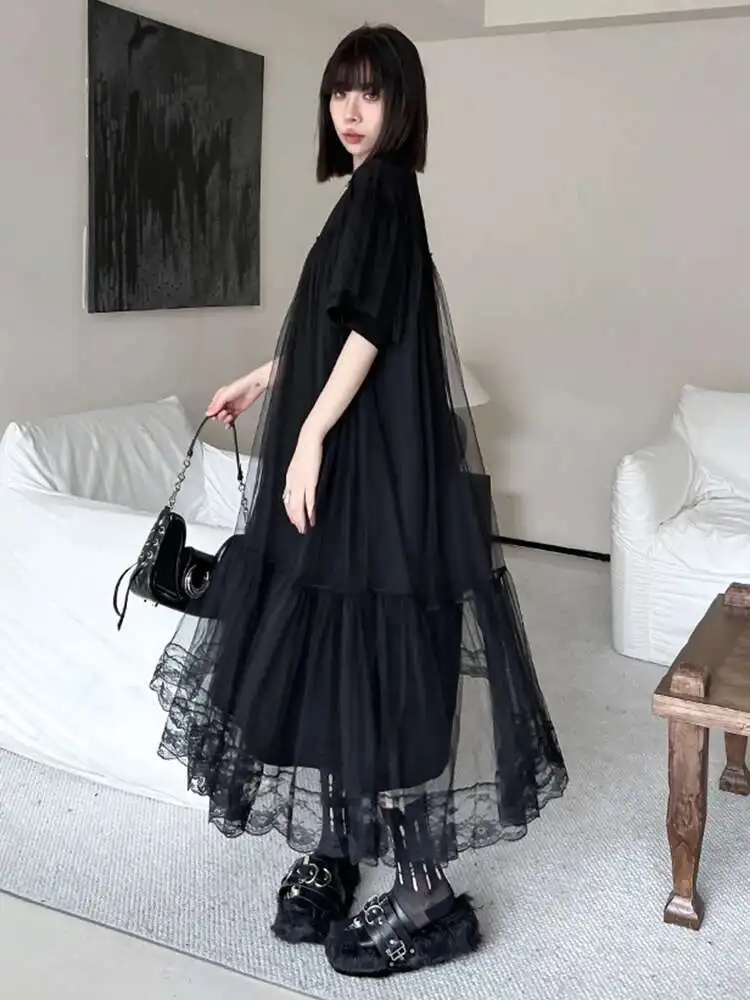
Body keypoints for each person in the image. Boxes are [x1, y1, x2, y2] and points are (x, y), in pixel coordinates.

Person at [149, 23, 568, 978]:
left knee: (374, 651)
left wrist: (306, 437)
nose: (349, 108)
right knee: (336, 647)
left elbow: (373, 332)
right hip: (355, 458)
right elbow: (333, 326)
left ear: (401, 104)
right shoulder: (366, 194)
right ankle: (338, 848)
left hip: (363, 464)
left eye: (370, 93)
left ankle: (426, 898)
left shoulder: (385, 189)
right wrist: (264, 377)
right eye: (340, 90)